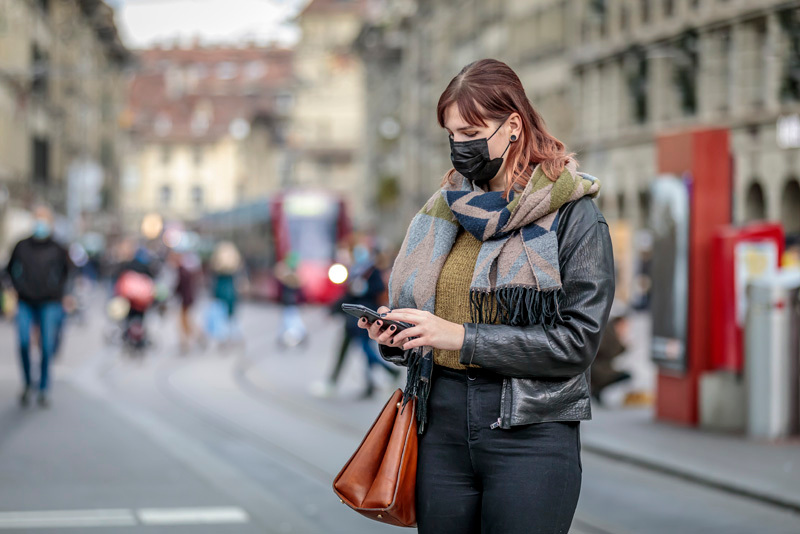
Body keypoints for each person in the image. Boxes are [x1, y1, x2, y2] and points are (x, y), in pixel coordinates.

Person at [359, 59, 614, 533]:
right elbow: (435, 329)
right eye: (452, 133)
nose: (460, 146)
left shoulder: (572, 214)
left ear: (513, 125)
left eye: (472, 131)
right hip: (440, 429)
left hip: (531, 435)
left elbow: (577, 344)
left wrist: (461, 337)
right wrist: (399, 335)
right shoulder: (442, 211)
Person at [313, 238, 400, 398]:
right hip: (352, 319)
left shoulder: (372, 271)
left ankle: (383, 375)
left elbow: (376, 291)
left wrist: (362, 289)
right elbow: (348, 295)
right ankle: (367, 383)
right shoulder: (355, 271)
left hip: (364, 319)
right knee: (353, 351)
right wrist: (333, 309)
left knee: (364, 351)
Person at [5, 206, 70, 407]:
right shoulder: (21, 246)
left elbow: (67, 272)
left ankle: (43, 388)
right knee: (24, 342)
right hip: (25, 301)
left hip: (50, 302)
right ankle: (27, 383)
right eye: (37, 219)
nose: (40, 224)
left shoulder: (58, 248)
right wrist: (13, 289)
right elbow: (9, 270)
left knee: (47, 346)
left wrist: (62, 294)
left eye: (44, 220)